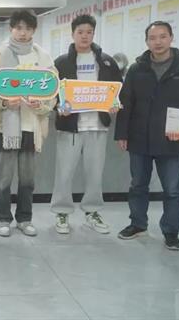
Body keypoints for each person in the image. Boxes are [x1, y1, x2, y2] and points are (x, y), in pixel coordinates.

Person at [115, 21, 179, 250]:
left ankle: (171, 232)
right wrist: (122, 133)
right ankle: (138, 224)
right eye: (153, 38)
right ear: (147, 41)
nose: (158, 42)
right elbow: (126, 102)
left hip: (171, 139)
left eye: (163, 36)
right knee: (138, 185)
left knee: (172, 189)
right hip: (139, 138)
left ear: (171, 38)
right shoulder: (137, 69)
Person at [50, 14, 122, 235]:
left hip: (98, 126)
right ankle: (62, 212)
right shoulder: (61, 62)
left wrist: (115, 104)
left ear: (93, 34)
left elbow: (118, 89)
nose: (85, 36)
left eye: (89, 32)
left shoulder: (107, 61)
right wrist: (58, 107)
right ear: (72, 34)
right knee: (64, 172)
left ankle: (92, 211)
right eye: (80, 32)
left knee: (95, 173)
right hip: (70, 126)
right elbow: (52, 92)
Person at [0, 10, 55, 238]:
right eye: (18, 28)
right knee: (4, 177)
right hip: (6, 126)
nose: (23, 33)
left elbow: (52, 89)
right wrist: (4, 102)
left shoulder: (43, 57)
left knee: (27, 178)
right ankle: (3, 218)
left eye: (27, 28)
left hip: (31, 125)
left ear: (34, 30)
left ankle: (25, 219)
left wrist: (41, 105)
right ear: (11, 29)